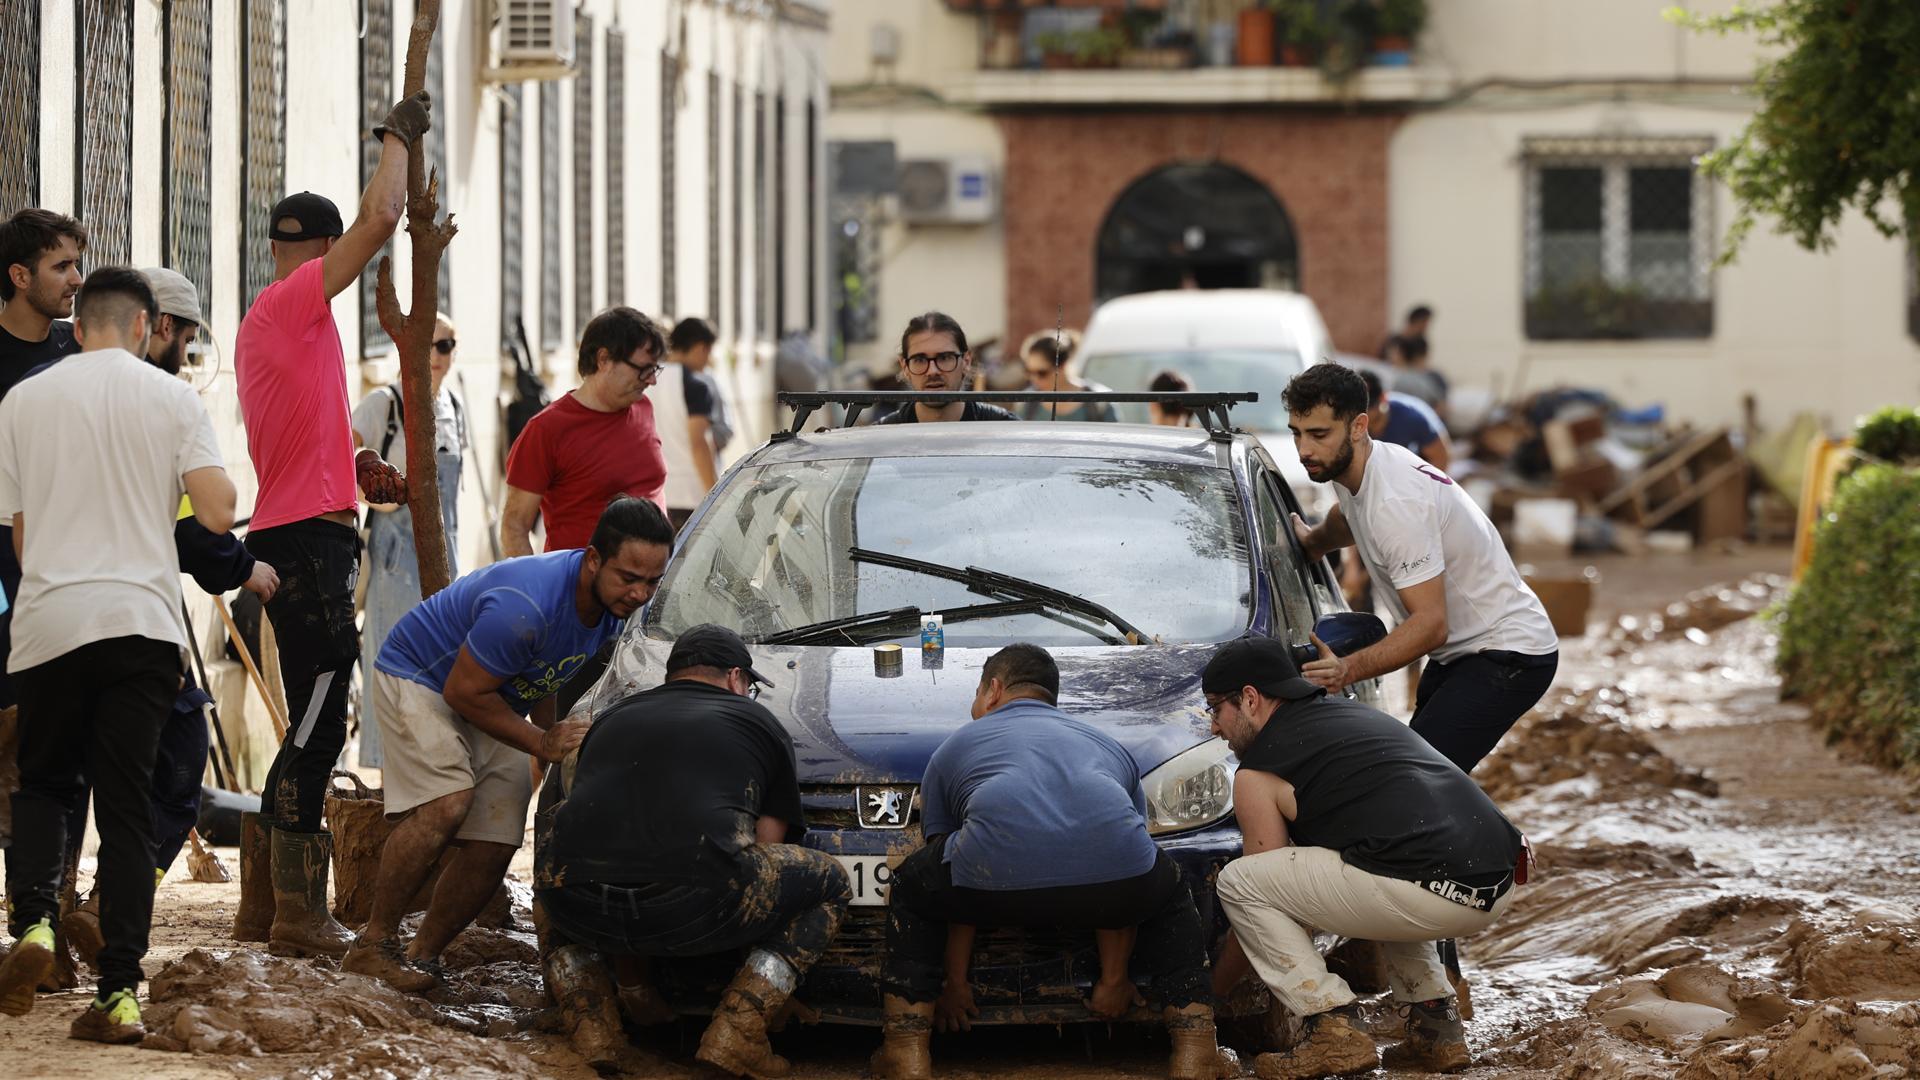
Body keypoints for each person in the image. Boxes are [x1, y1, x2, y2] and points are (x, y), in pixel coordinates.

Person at [0, 267, 237, 1043]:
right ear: (144, 326)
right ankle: (118, 997)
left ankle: (36, 923)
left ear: (78, 326)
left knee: (43, 785)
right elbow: (217, 510)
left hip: (50, 623)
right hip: (141, 625)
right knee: (127, 808)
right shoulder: (172, 398)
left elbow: (22, 538)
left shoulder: (23, 400)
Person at [230, 91, 428, 958]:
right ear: (319, 250)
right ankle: (296, 912)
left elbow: (305, 428)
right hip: (306, 541)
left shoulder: (289, 325)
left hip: (309, 528)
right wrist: (396, 136)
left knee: (314, 715)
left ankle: (264, 906)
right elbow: (382, 216)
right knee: (319, 722)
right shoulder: (292, 303)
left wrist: (359, 462)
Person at [340, 496, 674, 992]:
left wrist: (551, 738)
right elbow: (463, 692)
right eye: (629, 577)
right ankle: (373, 944)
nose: (640, 593)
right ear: (593, 560)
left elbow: (545, 669)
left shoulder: (609, 605)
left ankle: (422, 956)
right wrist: (541, 741)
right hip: (422, 676)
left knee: (498, 839)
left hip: (492, 693)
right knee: (448, 802)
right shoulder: (526, 606)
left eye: (653, 581)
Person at [870, 645, 1232, 1080]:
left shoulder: (955, 747)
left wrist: (955, 985)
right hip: (1115, 887)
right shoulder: (1107, 746)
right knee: (1169, 890)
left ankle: (906, 1051)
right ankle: (1196, 1051)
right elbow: (1119, 853)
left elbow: (952, 869)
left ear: (993, 690)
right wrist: (1114, 981)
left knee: (912, 886)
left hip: (990, 882)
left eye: (977, 692)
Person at [1200, 636, 1527, 1076]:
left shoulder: (1259, 769)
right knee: (1383, 862)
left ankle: (1331, 1028)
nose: (1214, 727)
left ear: (1250, 699)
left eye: (1215, 709)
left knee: (1240, 881)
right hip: (1498, 880)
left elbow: (1264, 894)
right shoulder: (1352, 716)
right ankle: (1437, 1030)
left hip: (1429, 886)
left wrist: (1213, 992)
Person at [535, 623, 850, 1079]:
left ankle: (593, 1030)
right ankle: (739, 1029)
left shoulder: (610, 719)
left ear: (673, 675)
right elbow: (767, 848)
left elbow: (604, 839)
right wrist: (765, 977)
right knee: (830, 882)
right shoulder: (758, 721)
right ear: (736, 678)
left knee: (554, 877)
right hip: (694, 903)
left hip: (577, 906)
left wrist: (635, 984)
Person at [1282, 363, 1557, 772]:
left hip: (1506, 652)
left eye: (1319, 434)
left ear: (1358, 426)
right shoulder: (1359, 466)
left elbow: (1430, 625)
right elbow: (1347, 515)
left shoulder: (1395, 503)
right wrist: (1314, 543)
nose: (1304, 450)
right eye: (1297, 433)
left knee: (1415, 778)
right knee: (1421, 777)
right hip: (1460, 651)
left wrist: (1346, 669)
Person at [351, 311, 465, 768]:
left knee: (440, 666)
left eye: (447, 345)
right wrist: (380, 497)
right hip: (395, 560)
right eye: (429, 344)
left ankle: (433, 772)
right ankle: (386, 776)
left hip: (445, 557)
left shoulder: (454, 407)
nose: (437, 355)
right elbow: (343, 461)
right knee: (392, 664)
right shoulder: (384, 404)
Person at [502, 307, 670, 556]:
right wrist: (535, 581)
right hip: (581, 579)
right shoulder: (546, 429)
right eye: (643, 369)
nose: (651, 380)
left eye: (655, 369)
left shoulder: (644, 407)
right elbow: (514, 528)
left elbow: (652, 488)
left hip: (656, 577)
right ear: (604, 359)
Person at [878, 312, 1017, 424]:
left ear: (966, 362)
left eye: (944, 358)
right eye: (920, 360)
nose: (932, 371)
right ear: (904, 366)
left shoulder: (1004, 430)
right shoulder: (882, 437)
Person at [655, 316, 724, 530]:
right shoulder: (696, 387)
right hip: (691, 497)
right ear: (701, 348)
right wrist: (715, 496)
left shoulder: (646, 379)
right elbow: (699, 444)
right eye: (708, 352)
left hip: (656, 494)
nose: (708, 360)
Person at [1358, 367, 1451, 471]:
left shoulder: (1412, 417)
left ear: (1383, 398)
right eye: (1357, 407)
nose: (1363, 413)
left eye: (1369, 406)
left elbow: (1440, 459)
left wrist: (1415, 480)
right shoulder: (1351, 419)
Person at [1017, 330, 1117, 423]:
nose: (1034, 379)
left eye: (1042, 373)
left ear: (1063, 366)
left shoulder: (1099, 401)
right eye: (1028, 371)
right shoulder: (1026, 402)